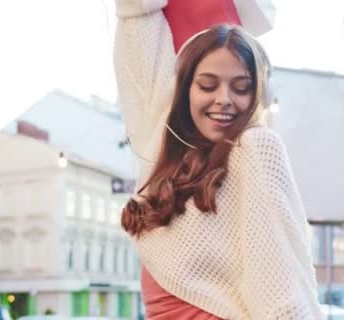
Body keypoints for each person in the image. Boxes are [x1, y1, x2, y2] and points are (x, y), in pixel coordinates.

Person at [114, 1, 323, 319]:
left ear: (258, 96)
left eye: (241, 88)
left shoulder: (255, 147)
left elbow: (281, 290)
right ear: (185, 89)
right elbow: (138, 19)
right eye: (208, 85)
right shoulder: (164, 143)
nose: (224, 99)